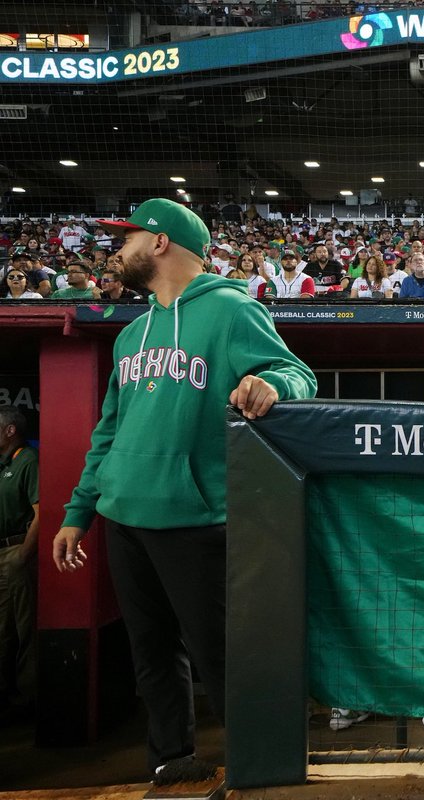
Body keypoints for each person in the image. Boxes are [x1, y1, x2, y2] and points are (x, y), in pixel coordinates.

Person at [50, 198, 317, 785]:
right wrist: (79, 512)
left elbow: (299, 373)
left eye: (127, 239)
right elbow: (109, 431)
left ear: (161, 243)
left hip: (196, 519)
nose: (117, 250)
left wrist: (268, 381)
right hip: (124, 514)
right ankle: (172, 760)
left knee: (220, 657)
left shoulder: (229, 311)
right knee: (151, 656)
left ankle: (260, 767)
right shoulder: (131, 334)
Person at [0, 407, 37, 714]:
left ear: (10, 430)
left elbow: (42, 512)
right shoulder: (2, 464)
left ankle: (26, 699)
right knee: (4, 628)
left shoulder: (28, 461)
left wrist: (23, 554)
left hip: (15, 551)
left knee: (23, 626)